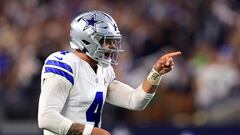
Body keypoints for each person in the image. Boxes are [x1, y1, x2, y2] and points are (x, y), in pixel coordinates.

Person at [38, 10, 181, 135]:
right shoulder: (63, 64)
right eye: (107, 41)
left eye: (113, 41)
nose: (112, 47)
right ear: (87, 40)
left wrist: (156, 73)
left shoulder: (103, 70)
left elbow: (135, 101)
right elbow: (46, 117)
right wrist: (90, 132)